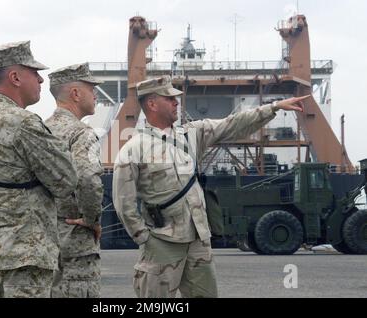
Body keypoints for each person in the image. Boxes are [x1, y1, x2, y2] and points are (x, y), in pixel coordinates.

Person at [112, 75, 308, 298]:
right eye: (169, 99)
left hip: (198, 240)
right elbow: (123, 202)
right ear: (152, 104)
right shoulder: (133, 150)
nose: (176, 102)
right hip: (162, 243)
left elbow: (232, 124)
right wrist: (144, 238)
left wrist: (273, 107)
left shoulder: (191, 135)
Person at [0, 41, 78, 298]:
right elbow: (66, 180)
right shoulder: (23, 123)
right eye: (34, 72)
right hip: (22, 260)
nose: (41, 80)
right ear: (14, 77)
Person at [45, 63, 104, 298]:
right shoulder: (81, 133)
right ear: (76, 94)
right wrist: (92, 219)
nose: (96, 94)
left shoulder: (39, 129)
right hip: (74, 235)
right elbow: (88, 178)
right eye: (91, 88)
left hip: (42, 235)